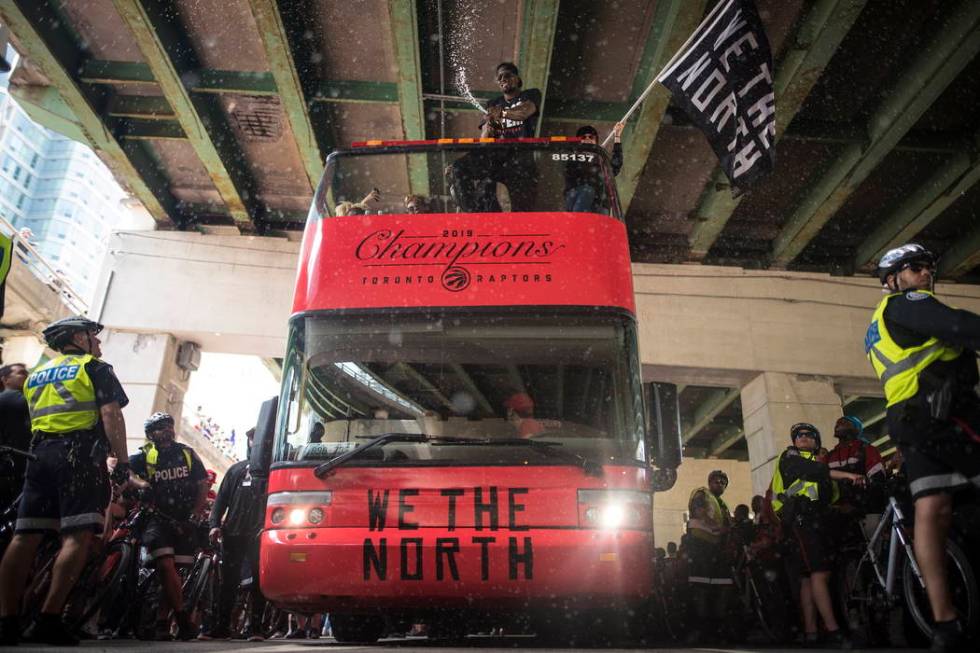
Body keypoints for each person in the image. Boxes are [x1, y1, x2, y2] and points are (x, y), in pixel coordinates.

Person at [867, 243, 980, 652]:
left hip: (910, 421)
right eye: (914, 268)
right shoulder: (906, 303)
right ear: (893, 281)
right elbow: (957, 327)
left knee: (932, 511)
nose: (925, 274)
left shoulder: (879, 322)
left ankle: (944, 623)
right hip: (942, 413)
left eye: (928, 267)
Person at [0, 316, 130, 646]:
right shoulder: (95, 368)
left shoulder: (36, 375)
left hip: (39, 454)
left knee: (24, 535)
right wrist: (123, 461)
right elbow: (111, 414)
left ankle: (7, 620)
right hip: (78, 456)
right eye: (93, 337)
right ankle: (49, 618)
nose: (97, 343)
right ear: (78, 337)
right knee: (78, 536)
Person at [770, 423, 864, 648]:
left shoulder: (818, 461)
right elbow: (808, 472)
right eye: (799, 435)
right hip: (802, 523)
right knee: (820, 575)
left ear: (817, 440)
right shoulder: (791, 456)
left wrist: (839, 507)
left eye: (809, 435)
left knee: (807, 579)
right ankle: (833, 631)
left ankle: (811, 633)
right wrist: (846, 475)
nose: (803, 437)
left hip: (810, 524)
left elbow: (828, 496)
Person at [128, 412, 208, 641]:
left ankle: (163, 622)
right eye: (160, 427)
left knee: (174, 573)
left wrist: (196, 513)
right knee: (165, 565)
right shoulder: (144, 455)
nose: (167, 430)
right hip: (156, 518)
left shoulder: (187, 453)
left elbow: (202, 484)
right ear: (150, 434)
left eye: (169, 426)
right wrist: (141, 482)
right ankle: (182, 618)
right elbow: (126, 471)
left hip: (184, 520)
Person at [447, 62, 540, 213]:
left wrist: (502, 113)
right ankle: (473, 213)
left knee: (520, 208)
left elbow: (525, 111)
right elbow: (486, 137)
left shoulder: (530, 95)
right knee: (460, 168)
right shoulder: (493, 103)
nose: (503, 79)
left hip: (520, 158)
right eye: (500, 77)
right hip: (496, 157)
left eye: (507, 75)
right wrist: (489, 128)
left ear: (517, 79)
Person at [200, 432, 266, 642]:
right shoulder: (236, 469)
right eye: (252, 438)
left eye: (259, 438)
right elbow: (221, 501)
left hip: (260, 536)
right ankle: (221, 627)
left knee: (259, 583)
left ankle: (256, 628)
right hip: (233, 534)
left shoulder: (272, 470)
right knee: (228, 582)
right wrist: (214, 525)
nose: (254, 442)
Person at [683, 469, 733, 644]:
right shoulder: (702, 494)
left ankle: (716, 630)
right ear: (709, 482)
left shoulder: (723, 505)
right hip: (700, 548)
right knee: (700, 589)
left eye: (723, 482)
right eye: (716, 481)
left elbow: (729, 526)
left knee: (721, 589)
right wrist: (713, 525)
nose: (719, 484)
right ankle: (698, 630)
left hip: (717, 552)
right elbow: (698, 511)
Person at [564, 123, 624, 213]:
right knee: (587, 190)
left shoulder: (600, 161)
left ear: (596, 141)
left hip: (597, 205)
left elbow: (615, 166)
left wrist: (617, 136)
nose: (587, 139)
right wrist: (587, 156)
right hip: (576, 202)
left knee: (604, 205)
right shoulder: (572, 158)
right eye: (583, 137)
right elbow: (576, 174)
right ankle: (577, 220)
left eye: (591, 137)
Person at [0, 363, 30, 511]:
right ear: (5, 380)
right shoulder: (13, 398)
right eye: (21, 373)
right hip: (16, 466)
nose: (26, 376)